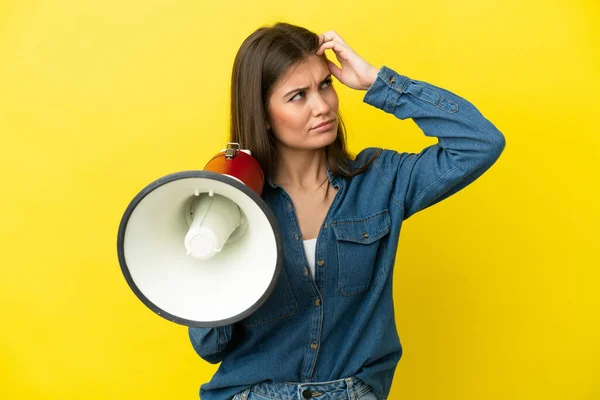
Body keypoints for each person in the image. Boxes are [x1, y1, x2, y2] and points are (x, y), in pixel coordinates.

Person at [188, 22, 506, 400]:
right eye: (298, 96)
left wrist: (377, 82)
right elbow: (210, 347)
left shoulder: (380, 181)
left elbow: (480, 143)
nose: (323, 107)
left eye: (325, 85)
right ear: (263, 113)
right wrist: (209, 260)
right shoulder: (229, 206)